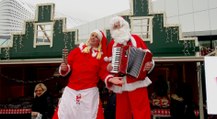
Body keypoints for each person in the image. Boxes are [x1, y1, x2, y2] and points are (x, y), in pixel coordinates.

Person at [52, 29, 123, 119]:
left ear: (100, 42)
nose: (93, 37)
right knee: (64, 114)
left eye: (96, 36)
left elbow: (103, 72)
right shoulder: (77, 51)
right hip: (71, 91)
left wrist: (110, 79)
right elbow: (67, 65)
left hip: (89, 93)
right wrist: (64, 68)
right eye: (92, 35)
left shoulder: (101, 57)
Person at [105, 16, 155, 119]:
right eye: (115, 27)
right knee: (122, 113)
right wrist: (109, 67)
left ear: (125, 26)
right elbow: (107, 65)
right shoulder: (112, 45)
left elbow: (148, 58)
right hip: (121, 83)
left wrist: (149, 65)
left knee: (141, 111)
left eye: (120, 26)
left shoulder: (136, 39)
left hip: (137, 81)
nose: (118, 29)